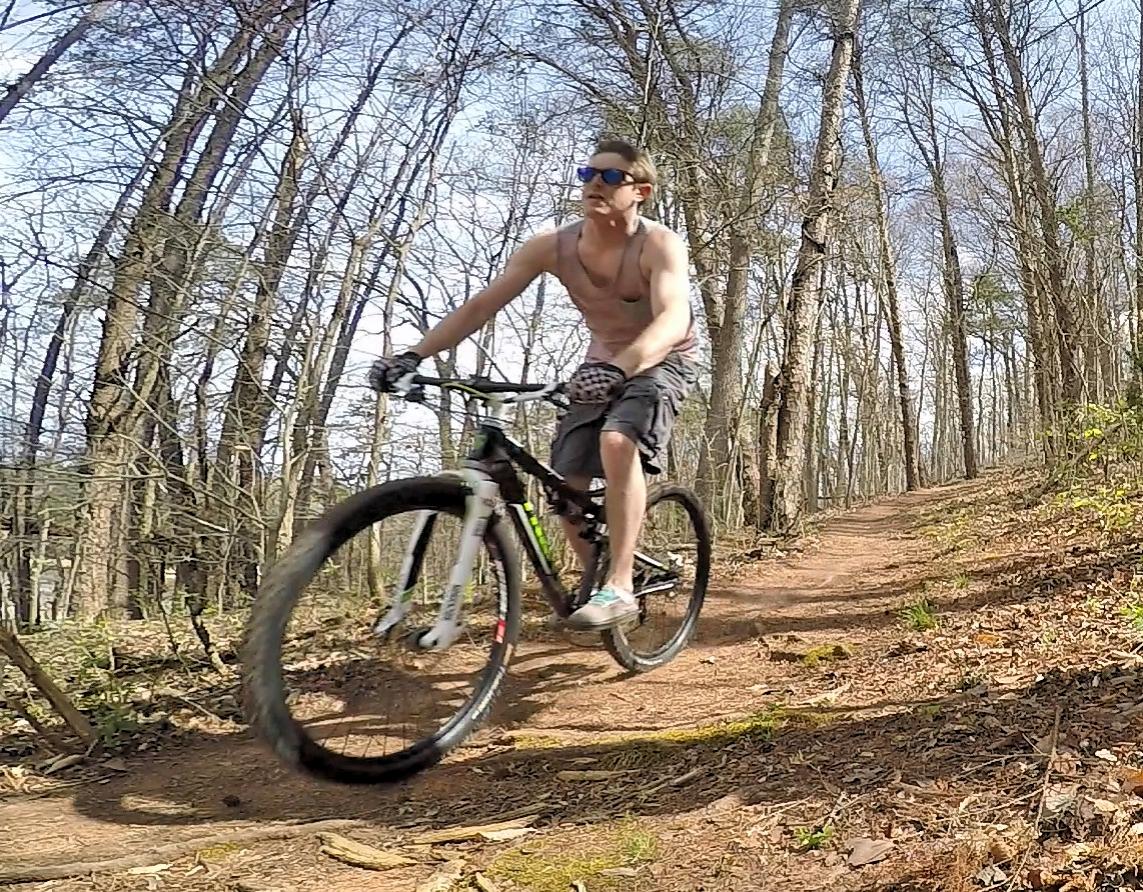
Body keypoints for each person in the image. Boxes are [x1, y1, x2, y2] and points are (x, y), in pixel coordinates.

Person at [369, 137, 698, 631]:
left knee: (616, 439)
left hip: (662, 359)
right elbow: (482, 306)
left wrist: (620, 368)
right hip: (600, 362)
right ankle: (594, 577)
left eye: (610, 178)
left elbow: (673, 318)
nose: (594, 185)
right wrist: (415, 354)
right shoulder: (551, 247)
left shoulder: (658, 244)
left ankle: (621, 586)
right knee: (567, 484)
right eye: (587, 175)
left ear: (641, 191)